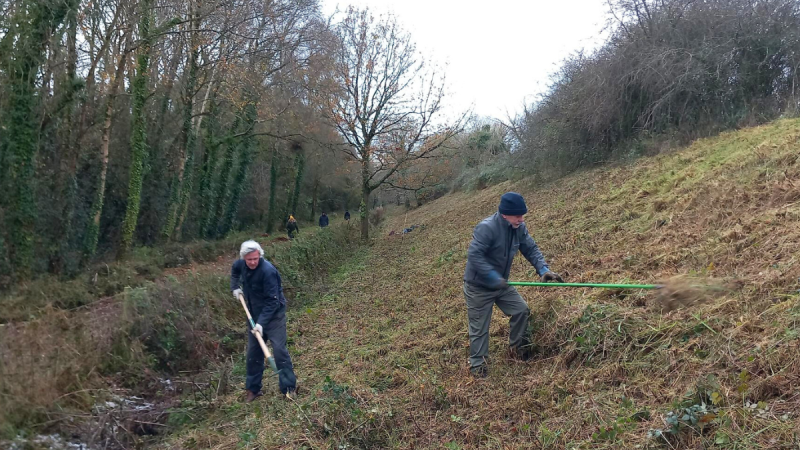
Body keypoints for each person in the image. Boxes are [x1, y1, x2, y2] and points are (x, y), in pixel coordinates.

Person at [463, 192, 563, 378]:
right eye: (517, 215)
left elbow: (530, 248)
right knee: (480, 329)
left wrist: (543, 270)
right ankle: (478, 369)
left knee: (521, 310)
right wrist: (493, 277)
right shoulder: (487, 228)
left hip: (501, 284)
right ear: (504, 214)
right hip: (479, 287)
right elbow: (475, 256)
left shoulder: (518, 227)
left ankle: (517, 351)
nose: (521, 219)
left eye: (522, 215)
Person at [231, 240, 297, 401]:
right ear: (244, 258)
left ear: (260, 255)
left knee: (279, 351)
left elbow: (272, 302)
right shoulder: (241, 264)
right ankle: (253, 389)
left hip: (274, 316)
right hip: (253, 315)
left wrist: (261, 324)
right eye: (249, 259)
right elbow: (235, 270)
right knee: (253, 353)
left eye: (255, 258)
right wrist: (235, 287)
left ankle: (289, 388)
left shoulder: (268, 271)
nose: (253, 262)